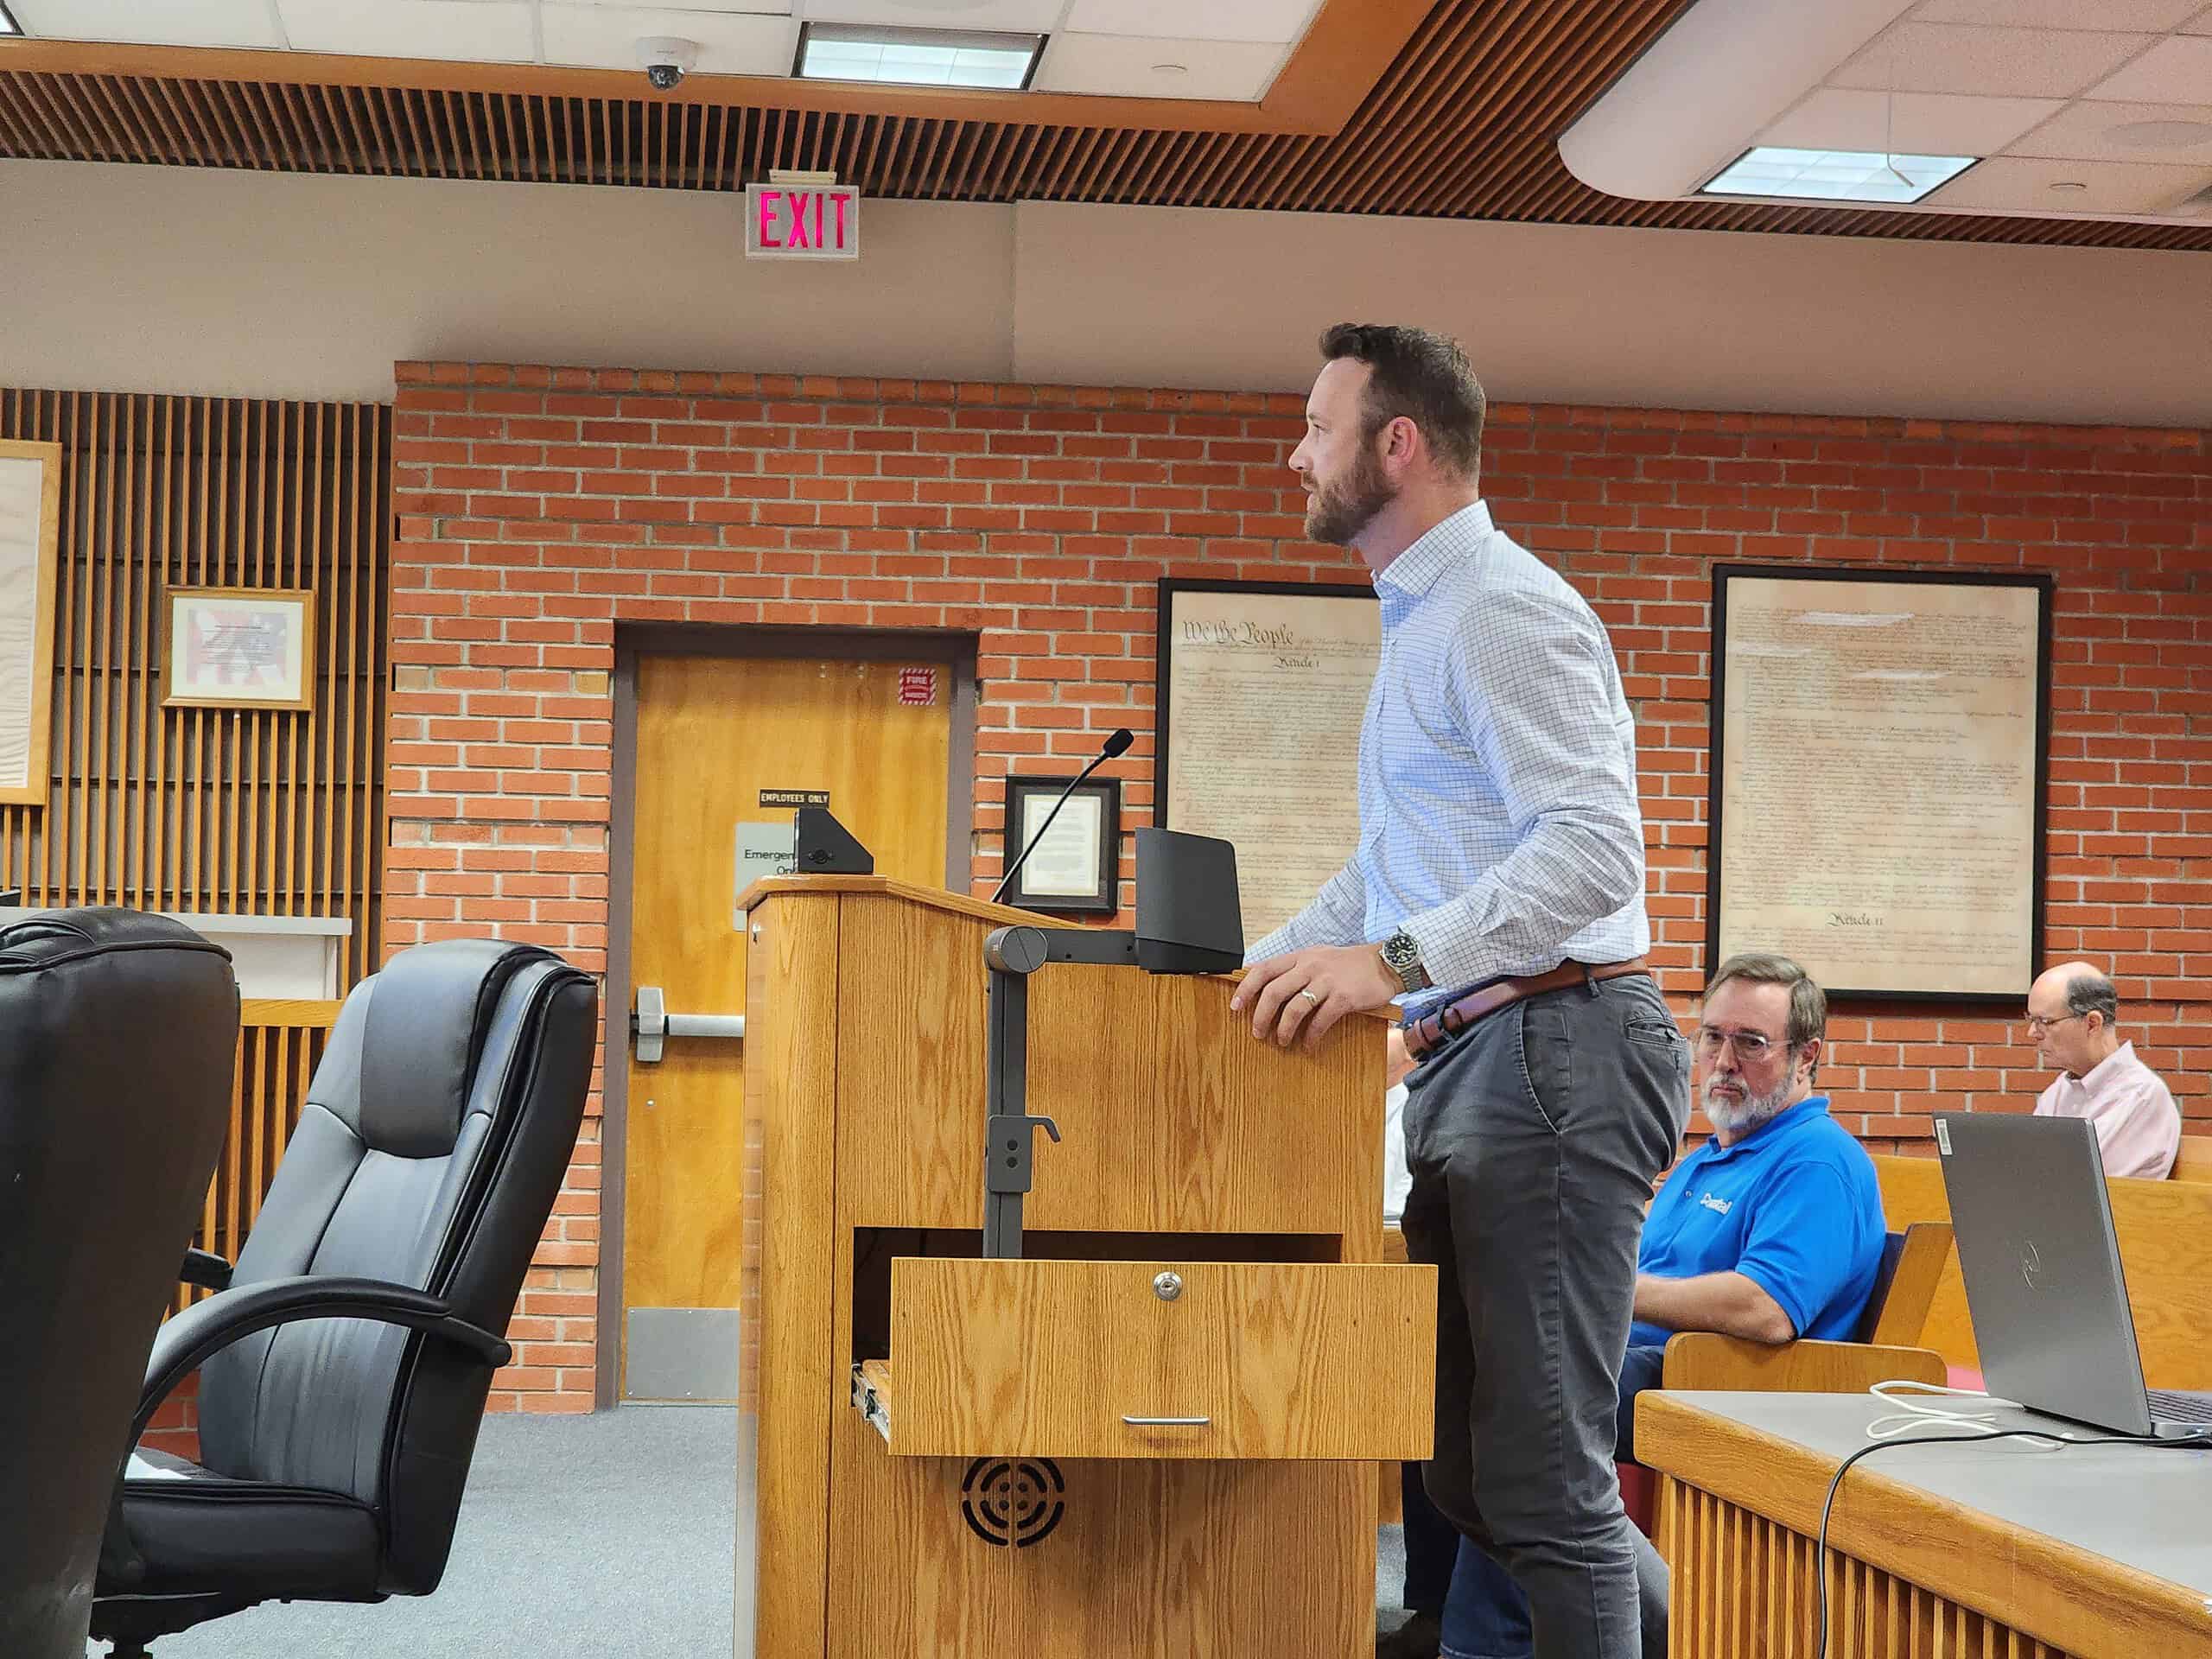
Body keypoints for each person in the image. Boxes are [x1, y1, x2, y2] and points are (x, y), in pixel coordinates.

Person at [1230, 322, 1688, 1659]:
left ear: (1398, 443)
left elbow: (1594, 853)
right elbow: (1390, 880)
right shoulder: (1426, 622)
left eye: (1316, 425)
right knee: (1473, 1483)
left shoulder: (1503, 609)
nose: (1293, 451)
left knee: (1545, 1486)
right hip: (1484, 1058)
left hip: (1557, 1048)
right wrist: (1227, 973)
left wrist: (1391, 968)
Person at [1427, 951, 1885, 1659]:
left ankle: (1630, 1640)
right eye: (1712, 1037)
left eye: (1751, 1043)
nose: (1724, 1060)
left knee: (1522, 1415)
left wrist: (1593, 1286)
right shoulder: (1706, 1157)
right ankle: (1451, 1627)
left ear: (1807, 1056)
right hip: (1641, 1358)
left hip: (1726, 1381)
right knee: (1450, 1385)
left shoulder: (1818, 1160)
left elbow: (1767, 1308)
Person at [2027, 960, 2180, 1179]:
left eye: (2044, 1021)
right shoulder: (2060, 1090)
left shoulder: (2141, 1096)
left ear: (2092, 1024)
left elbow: (2074, 1182)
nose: (2032, 1032)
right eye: (2031, 1019)